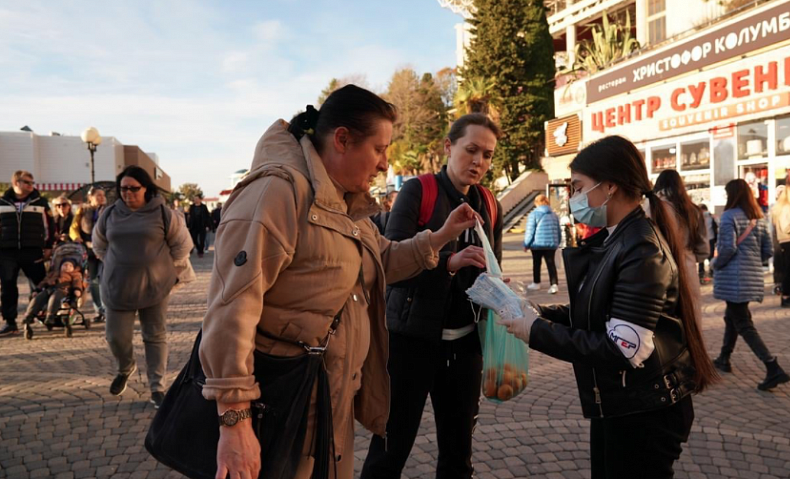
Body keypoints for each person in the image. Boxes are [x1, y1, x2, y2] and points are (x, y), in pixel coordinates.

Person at [198, 85, 480, 479]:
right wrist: (235, 420)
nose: (385, 164)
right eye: (379, 149)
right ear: (342, 140)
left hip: (330, 403)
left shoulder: (347, 204)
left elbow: (381, 259)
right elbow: (231, 312)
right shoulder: (277, 192)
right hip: (281, 406)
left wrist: (440, 236)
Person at [499, 135, 716, 478]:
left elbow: (624, 348)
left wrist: (535, 331)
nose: (572, 198)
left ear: (610, 187)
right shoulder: (615, 238)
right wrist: (537, 313)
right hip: (622, 405)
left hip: (645, 413)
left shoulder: (640, 248)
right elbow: (598, 313)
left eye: (578, 187)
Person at [361, 113, 503, 479]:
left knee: (459, 457)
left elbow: (494, 268)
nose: (479, 162)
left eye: (487, 155)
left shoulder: (489, 202)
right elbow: (392, 267)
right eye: (471, 150)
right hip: (411, 343)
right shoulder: (418, 190)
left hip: (465, 345)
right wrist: (448, 263)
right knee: (389, 452)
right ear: (448, 147)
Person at [92, 166, 193, 408]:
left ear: (145, 188)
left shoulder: (162, 213)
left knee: (155, 336)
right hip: (118, 287)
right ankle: (126, 367)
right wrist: (119, 263)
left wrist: (163, 269)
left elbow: (181, 246)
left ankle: (157, 387)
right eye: (123, 188)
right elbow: (99, 245)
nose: (128, 193)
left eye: (133, 188)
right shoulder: (110, 214)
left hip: (155, 287)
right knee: (115, 337)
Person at [711, 179, 790, 390]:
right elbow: (768, 251)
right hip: (751, 277)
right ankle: (724, 358)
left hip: (734, 279)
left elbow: (727, 249)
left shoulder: (729, 217)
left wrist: (714, 264)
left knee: (744, 324)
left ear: (732, 195)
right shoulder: (759, 218)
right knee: (732, 317)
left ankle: (772, 367)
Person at [0, 170, 54, 337]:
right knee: (8, 287)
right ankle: (10, 322)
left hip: (33, 250)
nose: (32, 186)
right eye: (28, 182)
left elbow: (50, 225)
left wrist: (48, 246)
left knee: (41, 284)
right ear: (17, 183)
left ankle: (44, 314)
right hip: (7, 252)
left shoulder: (40, 201)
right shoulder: (1, 202)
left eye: (32, 183)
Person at [653, 170, 710, 316]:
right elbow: (704, 249)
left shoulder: (652, 207)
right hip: (688, 269)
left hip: (658, 270)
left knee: (662, 321)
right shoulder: (693, 210)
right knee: (690, 319)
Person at [70, 187, 108, 323]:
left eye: (103, 195)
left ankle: (106, 309)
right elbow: (73, 228)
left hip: (104, 250)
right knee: (93, 282)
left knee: (104, 279)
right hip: (88, 250)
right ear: (90, 197)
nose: (101, 197)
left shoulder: (108, 210)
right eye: (98, 195)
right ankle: (98, 310)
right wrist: (76, 237)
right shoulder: (83, 210)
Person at [21, 258, 84, 336]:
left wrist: (77, 290)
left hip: (63, 290)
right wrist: (37, 290)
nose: (67, 267)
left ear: (73, 268)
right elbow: (44, 281)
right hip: (49, 289)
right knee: (38, 298)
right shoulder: (53, 273)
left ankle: (50, 315)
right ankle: (29, 315)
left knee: (54, 298)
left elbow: (77, 283)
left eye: (70, 266)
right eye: (65, 265)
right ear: (60, 266)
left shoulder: (75, 274)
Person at [524, 194, 561, 294]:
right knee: (551, 264)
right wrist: (558, 242)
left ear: (537, 203)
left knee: (536, 263)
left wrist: (526, 244)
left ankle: (536, 283)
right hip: (551, 244)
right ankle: (554, 284)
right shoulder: (554, 214)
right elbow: (558, 230)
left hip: (537, 244)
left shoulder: (534, 214)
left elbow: (530, 231)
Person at [698, 204, 717, 283]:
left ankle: (710, 270)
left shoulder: (711, 217)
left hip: (710, 238)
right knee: (702, 256)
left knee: (710, 255)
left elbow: (718, 223)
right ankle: (702, 271)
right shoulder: (699, 217)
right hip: (703, 239)